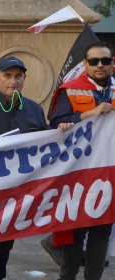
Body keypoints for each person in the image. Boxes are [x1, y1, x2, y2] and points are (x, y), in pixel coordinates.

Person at [0, 56, 72, 280]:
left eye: (18, 76)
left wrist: (61, 130)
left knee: (4, 241)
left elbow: (45, 138)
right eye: (7, 76)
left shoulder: (33, 109)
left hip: (16, 190)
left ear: (24, 79)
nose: (13, 81)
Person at [49, 41, 115, 280]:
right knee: (73, 238)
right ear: (85, 64)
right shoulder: (70, 89)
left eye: (105, 61)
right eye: (94, 61)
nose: (100, 65)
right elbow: (56, 123)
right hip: (77, 174)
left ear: (112, 64)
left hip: (109, 175)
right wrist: (92, 113)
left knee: (101, 235)